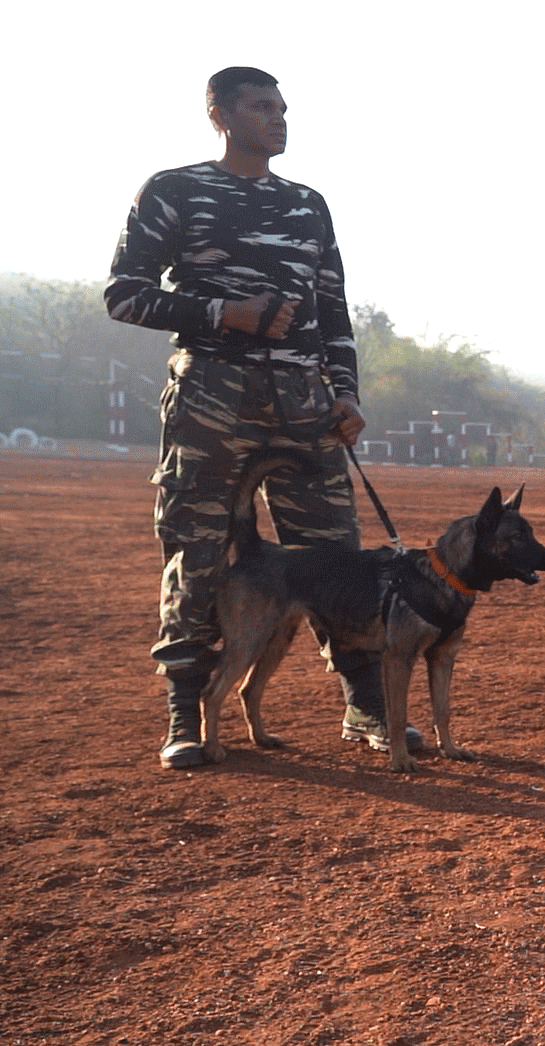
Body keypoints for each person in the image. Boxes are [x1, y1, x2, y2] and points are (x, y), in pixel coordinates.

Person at [106, 67, 410, 769]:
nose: (278, 118)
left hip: (306, 403)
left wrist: (347, 392)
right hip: (212, 396)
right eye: (261, 107)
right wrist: (222, 314)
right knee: (199, 548)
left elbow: (332, 306)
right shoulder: (174, 190)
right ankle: (189, 709)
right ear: (219, 114)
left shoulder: (308, 205)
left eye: (282, 108)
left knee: (337, 553)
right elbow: (124, 294)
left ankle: (366, 706)